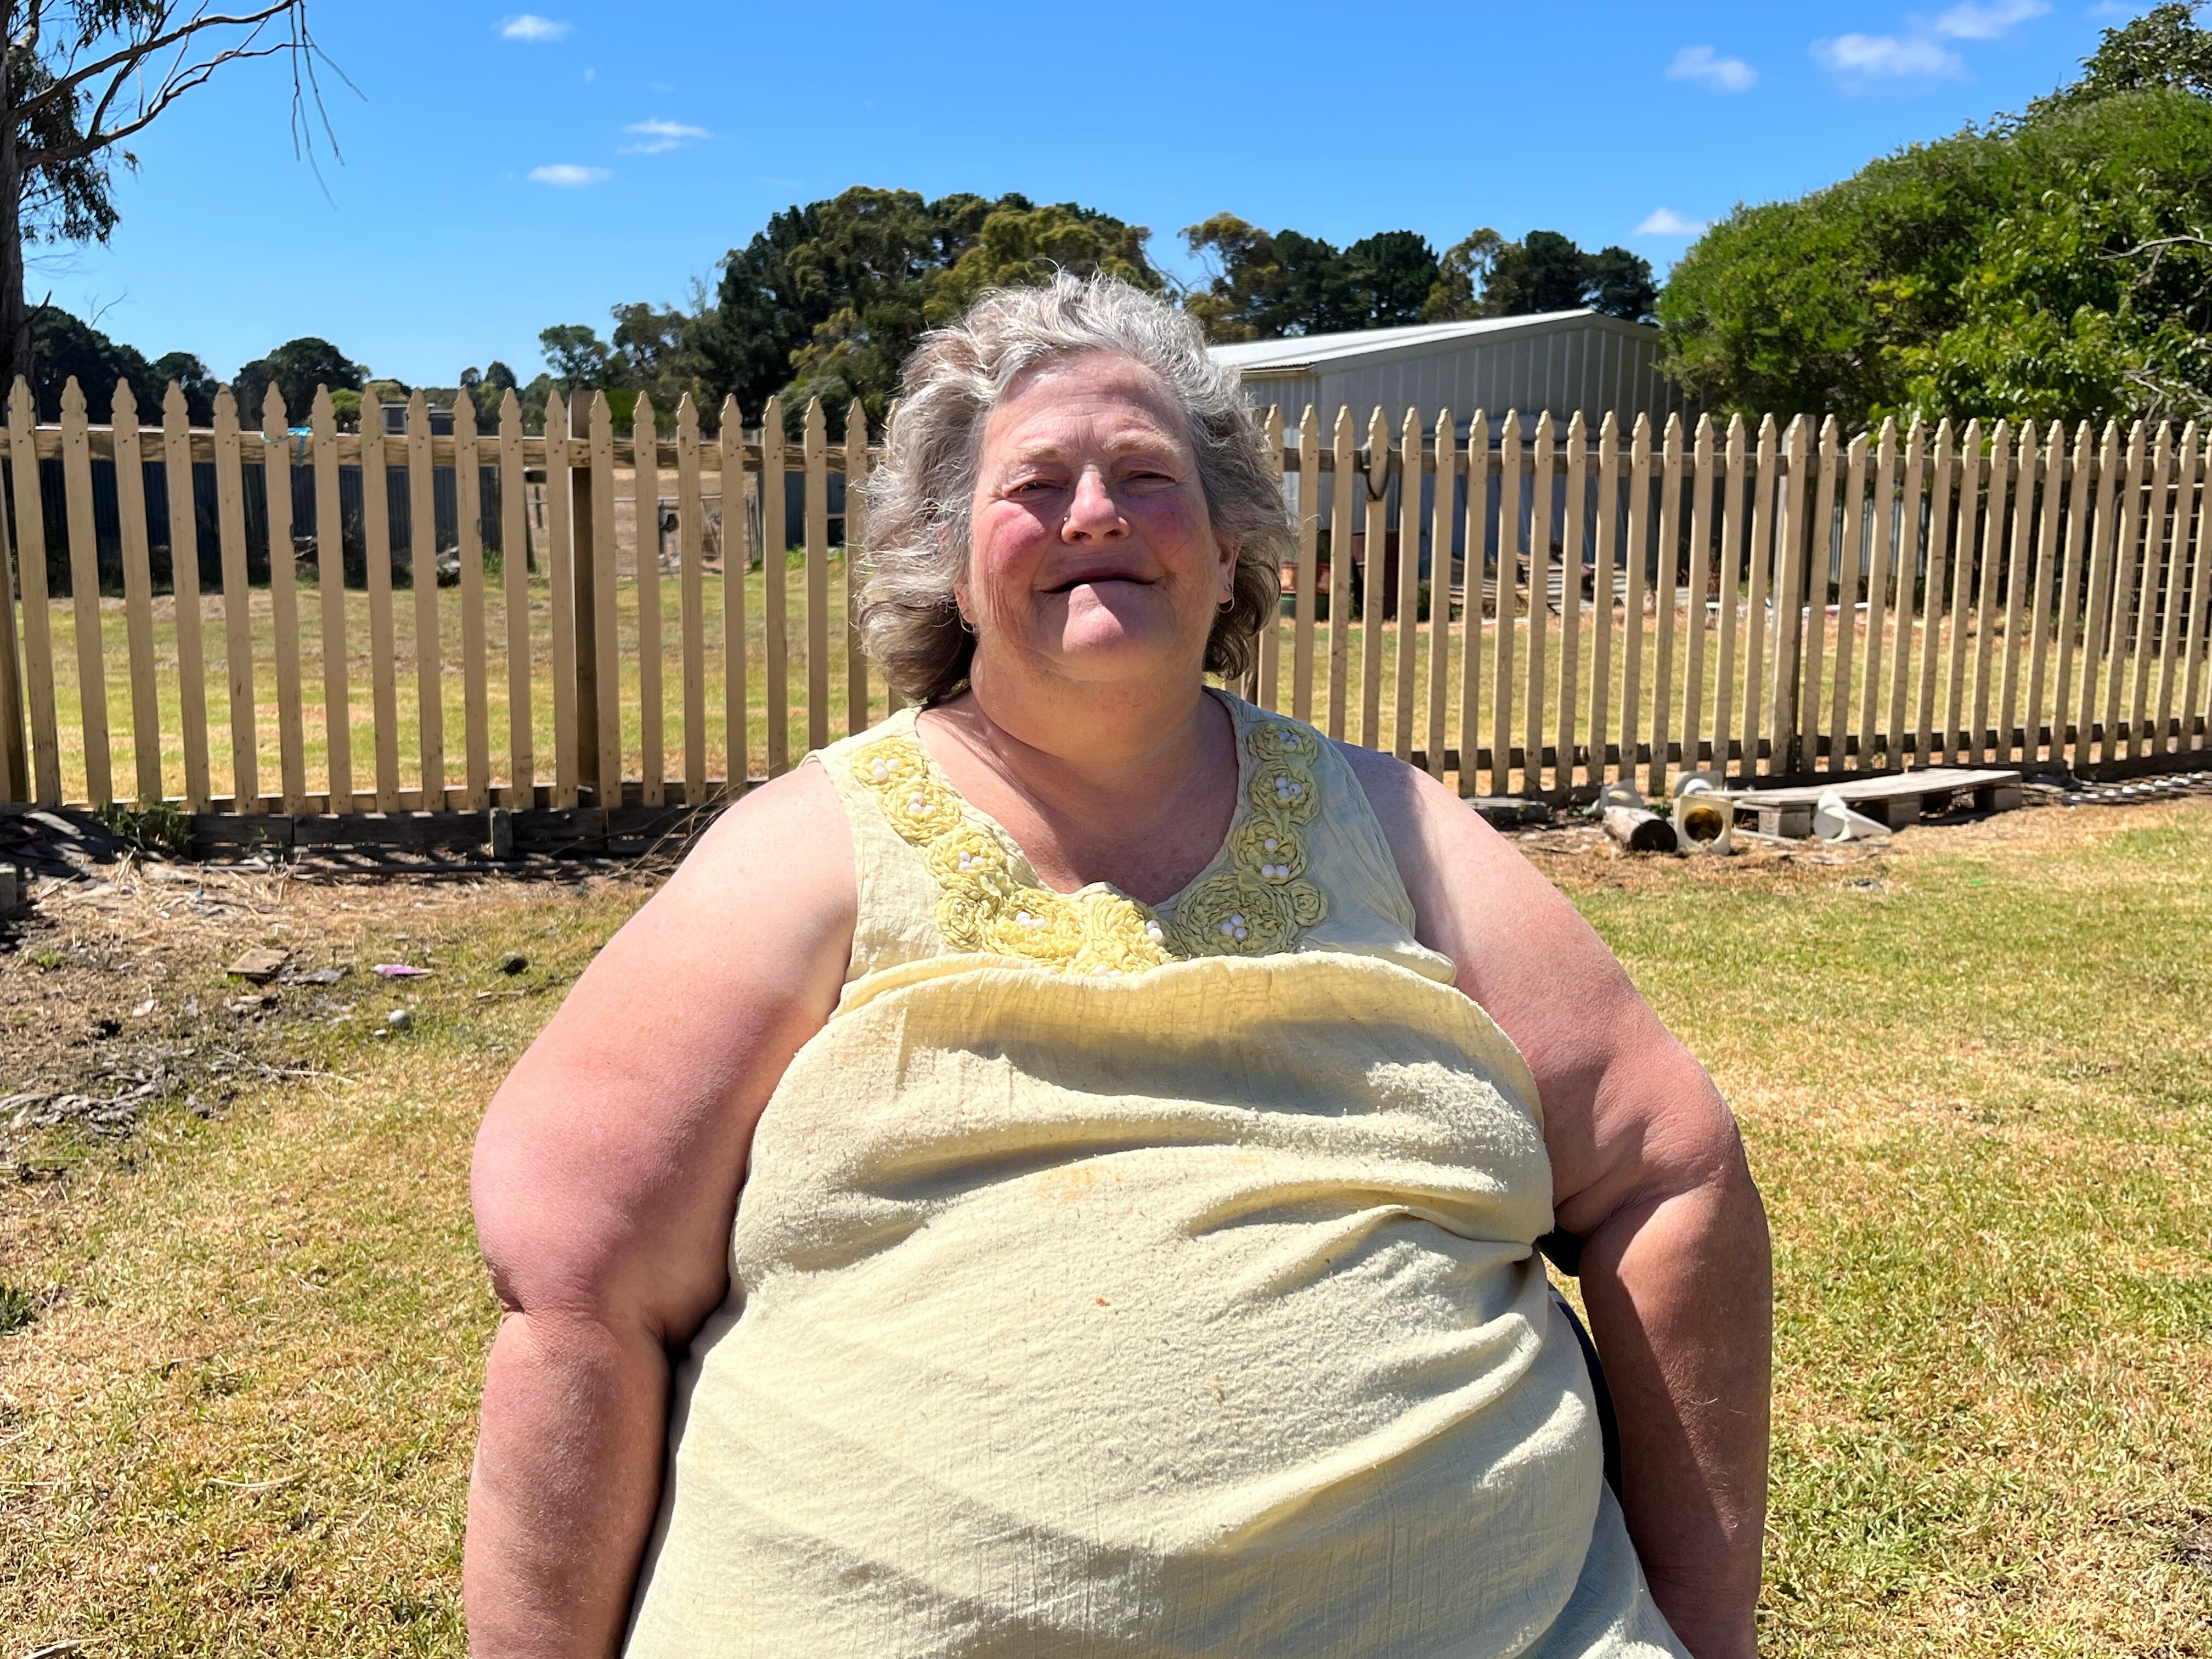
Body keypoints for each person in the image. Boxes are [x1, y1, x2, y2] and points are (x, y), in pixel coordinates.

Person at [465, 274, 1771, 1658]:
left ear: (1227, 554)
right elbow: (577, 1273)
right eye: (1037, 484)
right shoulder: (811, 848)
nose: (1094, 512)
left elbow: (1666, 1167)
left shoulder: (1395, 828)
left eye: (1147, 477)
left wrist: (1701, 1626)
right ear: (955, 570)